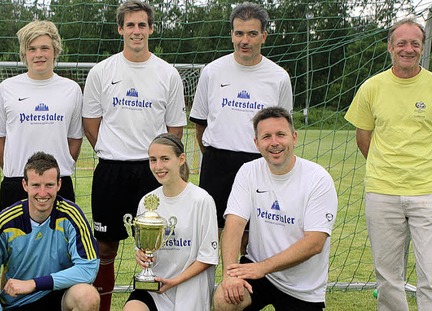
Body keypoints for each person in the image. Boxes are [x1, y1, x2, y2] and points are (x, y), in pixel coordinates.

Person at [82, 1, 187, 308]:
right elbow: (91, 123)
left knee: (157, 250)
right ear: (120, 29)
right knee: (104, 250)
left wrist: (160, 162)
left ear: (151, 29)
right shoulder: (102, 71)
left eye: (142, 25)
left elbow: (175, 129)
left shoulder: (167, 74)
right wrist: (111, 150)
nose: (136, 31)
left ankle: (150, 306)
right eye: (130, 25)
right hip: (111, 170)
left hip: (151, 172)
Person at [344, 18, 432, 311]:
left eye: (414, 43)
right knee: (388, 276)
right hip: (382, 193)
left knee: (430, 275)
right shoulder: (372, 87)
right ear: (390, 47)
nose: (408, 49)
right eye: (402, 43)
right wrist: (388, 169)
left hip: (427, 193)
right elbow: (363, 138)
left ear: (422, 47)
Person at [213, 107, 337, 311]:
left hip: (302, 287)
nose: (274, 143)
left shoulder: (318, 179)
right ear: (256, 143)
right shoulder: (248, 171)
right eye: (266, 137)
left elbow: (315, 243)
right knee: (224, 300)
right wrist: (230, 274)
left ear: (294, 137)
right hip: (256, 271)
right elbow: (234, 224)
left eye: (281, 134)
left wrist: (262, 268)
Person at [189, 2, 292, 247]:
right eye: (239, 33)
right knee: (211, 233)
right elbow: (200, 125)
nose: (244, 40)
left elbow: (283, 129)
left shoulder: (278, 77)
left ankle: (244, 285)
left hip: (259, 164)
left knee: (252, 236)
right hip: (217, 163)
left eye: (252, 33)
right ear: (231, 35)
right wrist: (215, 153)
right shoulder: (212, 72)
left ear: (264, 36)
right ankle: (209, 286)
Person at [0, 151, 100, 311]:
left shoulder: (71, 215)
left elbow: (88, 268)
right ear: (25, 185)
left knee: (87, 296)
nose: (42, 193)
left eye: (49, 185)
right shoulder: (6, 222)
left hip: (60, 297)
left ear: (59, 185)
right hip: (19, 303)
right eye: (36, 185)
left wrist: (34, 284)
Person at [0, 20, 82, 211]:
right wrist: (13, 169)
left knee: (61, 241)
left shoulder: (71, 89)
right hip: (16, 181)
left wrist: (59, 169)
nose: (39, 54)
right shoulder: (7, 88)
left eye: (44, 48)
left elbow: (75, 139)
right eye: (32, 49)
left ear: (55, 51)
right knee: (12, 241)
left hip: (58, 183)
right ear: (24, 54)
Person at [124, 133, 219, 311]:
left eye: (164, 159)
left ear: (181, 159)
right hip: (155, 288)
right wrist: (141, 255)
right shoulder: (147, 201)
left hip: (189, 289)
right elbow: (142, 247)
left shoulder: (201, 200)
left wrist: (173, 281)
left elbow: (208, 257)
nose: (158, 166)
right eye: (153, 160)